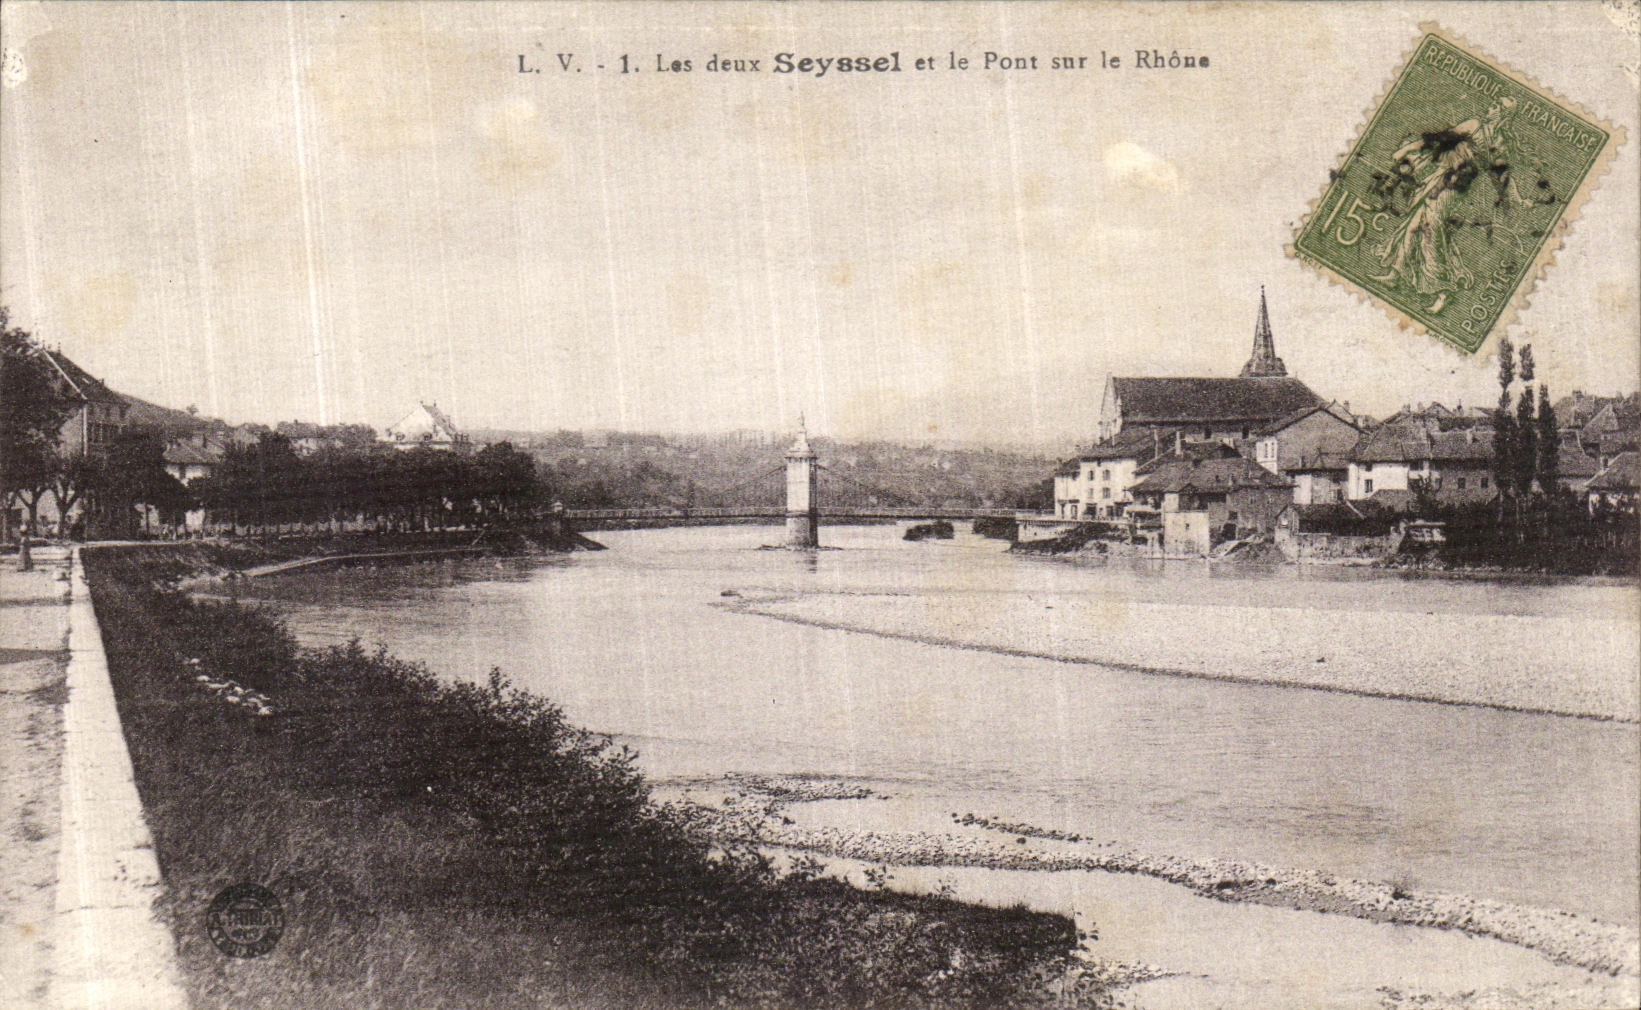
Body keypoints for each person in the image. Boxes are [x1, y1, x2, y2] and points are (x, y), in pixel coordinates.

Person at [1370, 98, 1531, 314]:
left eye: (1496, 106)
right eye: (1492, 103)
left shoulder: (1499, 143)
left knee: (1431, 232)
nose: (1490, 107)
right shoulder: (1474, 125)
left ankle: (1443, 291)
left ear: (1503, 114)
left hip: (1454, 190)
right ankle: (1396, 274)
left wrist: (1518, 199)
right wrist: (1407, 149)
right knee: (1414, 226)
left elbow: (1502, 177)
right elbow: (1439, 138)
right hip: (1439, 179)